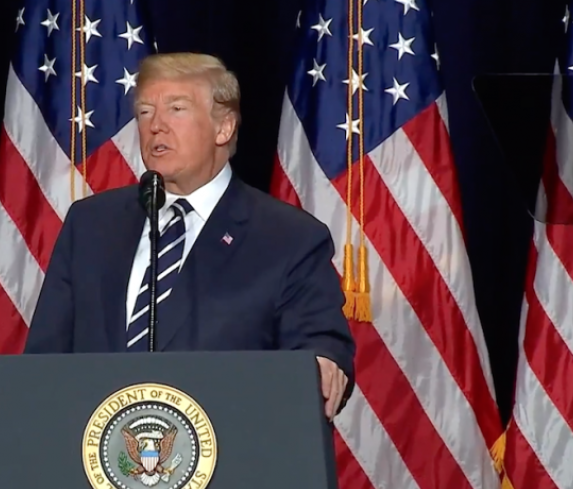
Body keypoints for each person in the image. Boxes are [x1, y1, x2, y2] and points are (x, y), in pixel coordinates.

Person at [24, 52, 355, 420]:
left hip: (231, 457)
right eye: (146, 111)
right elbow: (44, 360)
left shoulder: (288, 238)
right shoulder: (90, 224)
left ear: (223, 128)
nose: (156, 126)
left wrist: (323, 363)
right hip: (94, 457)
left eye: (176, 109)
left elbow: (319, 341)